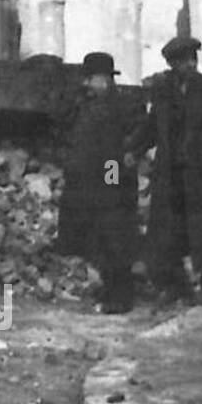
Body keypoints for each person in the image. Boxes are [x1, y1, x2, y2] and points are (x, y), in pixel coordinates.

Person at [128, 36, 202, 303]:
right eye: (182, 61)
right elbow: (152, 127)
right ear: (172, 64)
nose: (189, 65)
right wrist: (132, 151)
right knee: (168, 233)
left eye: (192, 60)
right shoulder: (163, 92)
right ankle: (174, 287)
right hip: (171, 175)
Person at [59, 53, 141, 313]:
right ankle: (108, 290)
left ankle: (121, 297)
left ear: (105, 79)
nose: (87, 84)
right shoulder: (84, 105)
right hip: (90, 186)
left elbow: (126, 146)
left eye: (91, 79)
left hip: (112, 183)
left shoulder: (122, 106)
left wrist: (111, 185)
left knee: (116, 240)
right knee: (98, 242)